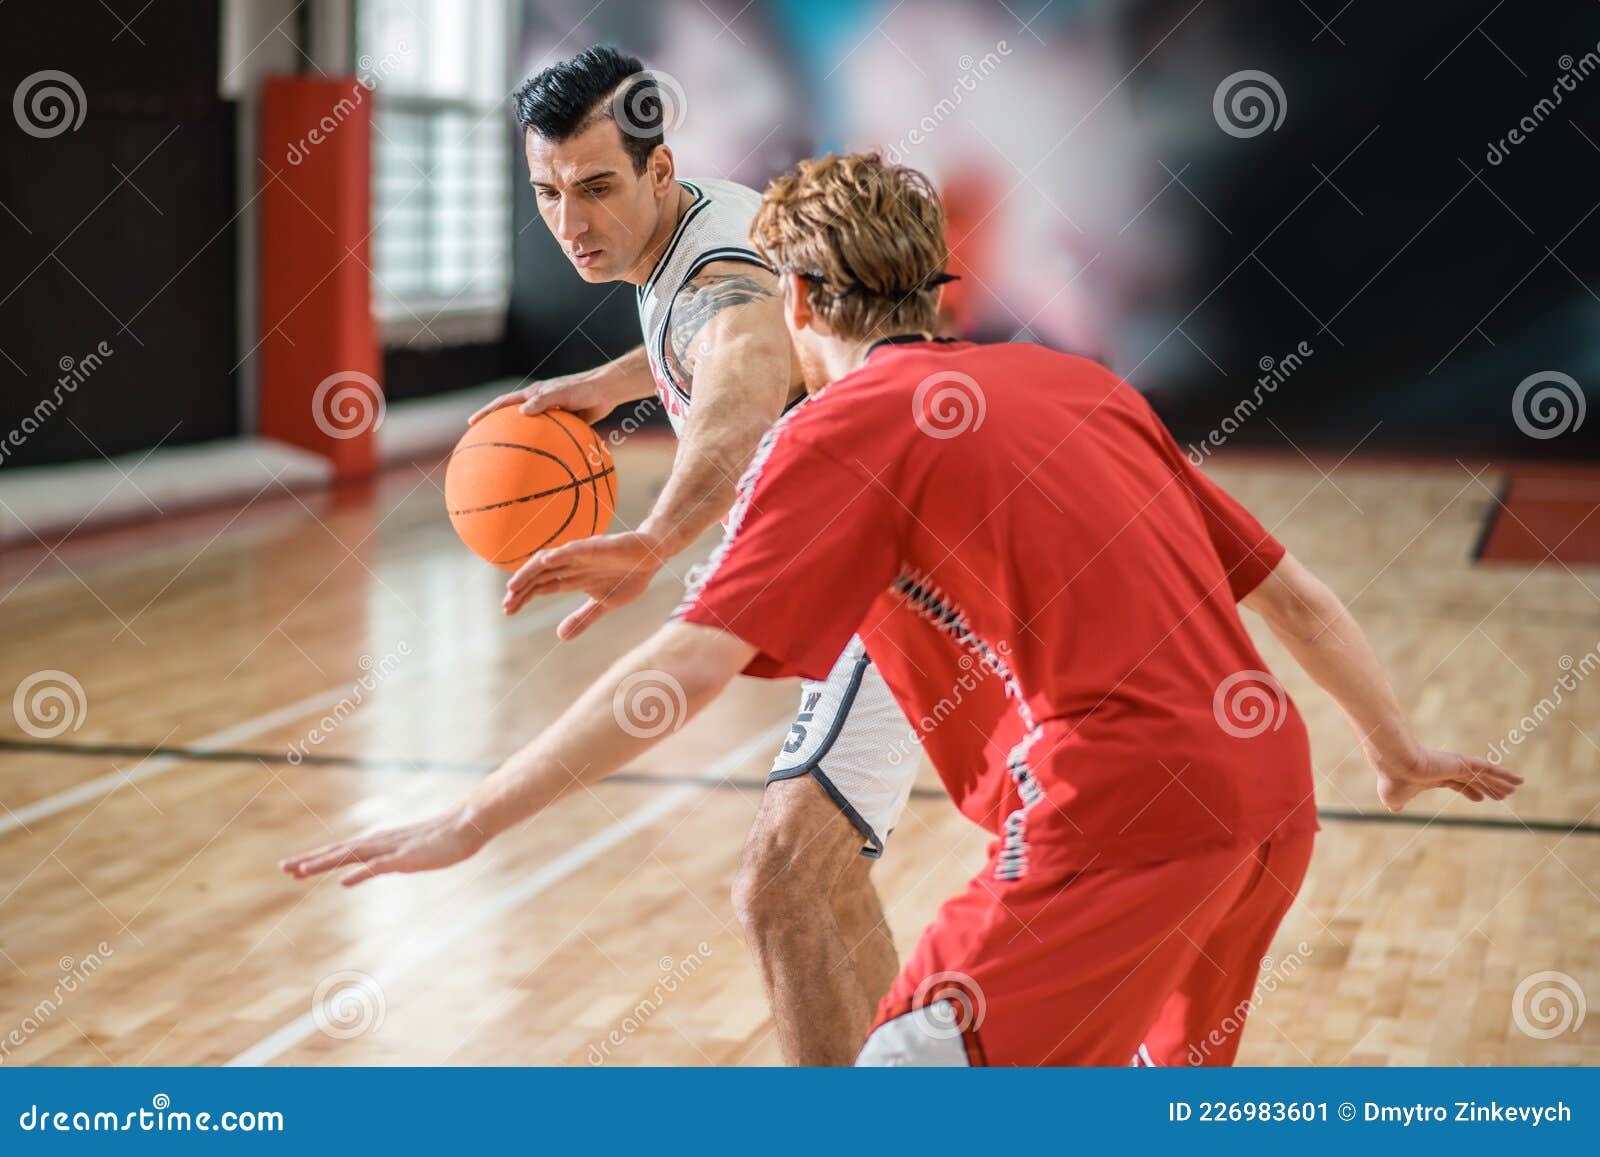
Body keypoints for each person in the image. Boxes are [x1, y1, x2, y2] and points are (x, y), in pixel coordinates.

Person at [280, 152, 1521, 1066]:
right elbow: (1296, 597)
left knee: (902, 1087)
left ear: (801, 305)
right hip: (1269, 801)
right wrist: (1396, 748)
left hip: (1121, 811)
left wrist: (476, 815)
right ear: (930, 290)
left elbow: (682, 674)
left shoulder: (838, 429)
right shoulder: (1082, 382)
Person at [471, 48, 912, 1065]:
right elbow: (699, 348)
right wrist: (619, 377)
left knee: (780, 883)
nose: (570, 221)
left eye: (594, 187)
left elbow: (741, 376)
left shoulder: (721, 269)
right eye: (545, 192)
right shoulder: (700, 215)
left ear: (657, 173)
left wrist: (659, 534)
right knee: (823, 876)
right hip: (882, 573)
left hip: (884, 591)